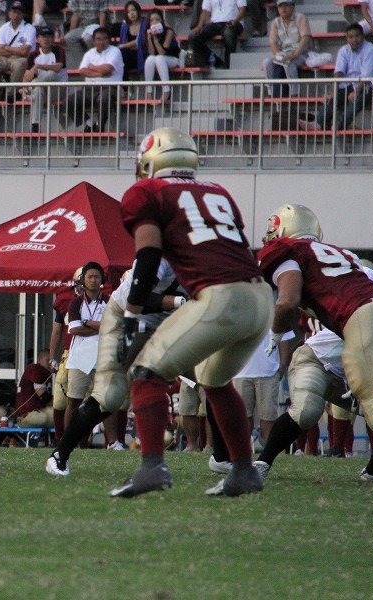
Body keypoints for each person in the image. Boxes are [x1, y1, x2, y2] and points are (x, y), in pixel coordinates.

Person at [112, 127, 273, 498]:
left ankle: (152, 467)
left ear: (150, 161)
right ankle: (244, 472)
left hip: (220, 296)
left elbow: (148, 255)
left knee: (146, 371)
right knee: (213, 378)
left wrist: (132, 315)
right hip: (260, 297)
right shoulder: (217, 191)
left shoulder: (145, 191)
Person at [257, 204, 373, 477]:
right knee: (308, 410)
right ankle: (262, 463)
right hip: (330, 353)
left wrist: (276, 332)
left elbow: (287, 301)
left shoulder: (288, 251)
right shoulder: (344, 257)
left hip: (362, 335)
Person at [46, 259, 187, 475]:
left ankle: (226, 457)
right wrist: (180, 301)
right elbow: (138, 297)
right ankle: (61, 452)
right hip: (124, 320)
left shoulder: (207, 255)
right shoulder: (159, 256)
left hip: (163, 325)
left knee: (209, 376)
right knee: (109, 396)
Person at [299, 23, 373, 132]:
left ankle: (340, 125)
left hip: (368, 86)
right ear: (347, 38)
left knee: (357, 100)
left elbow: (367, 76)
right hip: (348, 85)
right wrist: (332, 92)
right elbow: (339, 72)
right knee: (331, 99)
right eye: (351, 37)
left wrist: (356, 91)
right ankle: (319, 123)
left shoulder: (370, 49)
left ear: (362, 36)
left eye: (357, 36)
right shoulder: (344, 50)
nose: (354, 40)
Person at [64, 262, 107, 430]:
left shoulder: (109, 301)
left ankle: (111, 441)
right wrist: (101, 327)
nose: (93, 280)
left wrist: (86, 322)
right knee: (74, 400)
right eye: (90, 276)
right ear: (83, 279)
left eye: (97, 277)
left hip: (103, 358)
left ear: (102, 279)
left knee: (105, 402)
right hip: (79, 359)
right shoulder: (76, 303)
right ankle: (66, 440)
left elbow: (114, 326)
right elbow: (74, 329)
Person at [65, 26, 123, 133]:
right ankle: (89, 123)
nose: (101, 42)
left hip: (110, 88)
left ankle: (100, 127)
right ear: (94, 41)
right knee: (69, 101)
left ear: (109, 39)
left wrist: (91, 67)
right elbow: (82, 71)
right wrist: (101, 73)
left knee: (104, 97)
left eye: (104, 39)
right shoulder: (89, 53)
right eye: (98, 39)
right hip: (90, 88)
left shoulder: (115, 51)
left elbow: (108, 69)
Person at [49, 267, 83, 441]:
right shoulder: (65, 299)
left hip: (91, 353)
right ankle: (60, 439)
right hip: (69, 353)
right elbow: (57, 330)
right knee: (60, 400)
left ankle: (83, 441)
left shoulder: (100, 300)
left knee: (86, 399)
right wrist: (52, 357)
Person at [22, 26, 67, 133]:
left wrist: (38, 66)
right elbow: (27, 76)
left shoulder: (59, 50)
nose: (46, 39)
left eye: (49, 36)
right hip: (42, 92)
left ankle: (31, 91)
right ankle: (35, 124)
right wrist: (24, 87)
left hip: (58, 89)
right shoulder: (33, 55)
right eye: (43, 36)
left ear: (53, 38)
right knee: (38, 89)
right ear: (38, 39)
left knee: (50, 74)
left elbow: (58, 68)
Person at [262, 0, 311, 98]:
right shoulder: (275, 22)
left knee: (288, 63)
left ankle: (294, 93)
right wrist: (278, 55)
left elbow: (305, 38)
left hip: (301, 53)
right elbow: (273, 42)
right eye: (280, 6)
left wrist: (294, 54)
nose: (283, 9)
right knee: (267, 62)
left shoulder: (300, 18)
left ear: (292, 6)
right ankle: (270, 91)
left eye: (286, 5)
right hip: (283, 53)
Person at [188, 0, 246, 68]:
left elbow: (242, 9)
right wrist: (199, 26)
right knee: (193, 37)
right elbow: (205, 12)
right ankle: (216, 62)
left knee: (228, 33)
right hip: (215, 23)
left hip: (234, 22)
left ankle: (229, 65)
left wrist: (236, 20)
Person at [0, 1, 37, 88]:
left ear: (23, 15)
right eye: (14, 12)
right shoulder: (3, 28)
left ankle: (12, 93)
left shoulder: (30, 28)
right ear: (9, 14)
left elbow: (25, 52)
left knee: (19, 65)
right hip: (5, 58)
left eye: (19, 13)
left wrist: (6, 48)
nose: (16, 15)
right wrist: (18, 50)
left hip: (22, 59)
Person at [143, 9, 180, 104]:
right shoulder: (148, 33)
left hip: (172, 58)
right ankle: (149, 92)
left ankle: (166, 90)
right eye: (152, 20)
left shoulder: (169, 32)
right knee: (150, 59)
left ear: (162, 21)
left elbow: (162, 52)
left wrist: (155, 39)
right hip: (157, 59)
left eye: (157, 19)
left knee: (159, 58)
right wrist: (149, 38)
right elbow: (151, 53)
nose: (154, 22)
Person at [14, 349, 54, 429]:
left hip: (35, 412)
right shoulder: (36, 369)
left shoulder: (47, 374)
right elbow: (43, 396)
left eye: (52, 362)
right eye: (48, 360)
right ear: (39, 359)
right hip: (28, 414)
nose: (50, 364)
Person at [63, 0, 107, 70]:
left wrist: (102, 31)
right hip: (82, 26)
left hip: (96, 24)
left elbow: (102, 14)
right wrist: (71, 31)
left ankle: (96, 61)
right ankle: (83, 63)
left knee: (88, 38)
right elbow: (75, 15)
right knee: (69, 37)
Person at [116, 1, 147, 78]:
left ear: (138, 10)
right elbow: (127, 44)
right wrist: (129, 46)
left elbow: (140, 41)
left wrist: (124, 46)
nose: (131, 13)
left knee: (122, 54)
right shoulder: (125, 26)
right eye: (128, 12)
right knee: (120, 58)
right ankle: (124, 84)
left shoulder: (145, 23)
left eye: (133, 10)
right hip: (129, 56)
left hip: (143, 54)